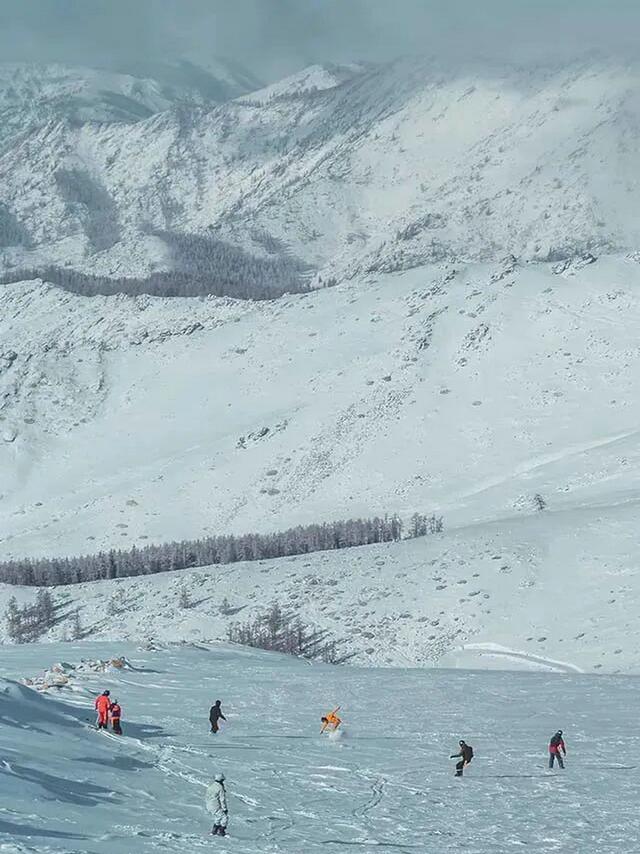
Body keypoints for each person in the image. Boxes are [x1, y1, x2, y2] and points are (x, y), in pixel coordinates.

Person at [206, 772, 228, 837]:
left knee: (218, 816)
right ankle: (221, 831)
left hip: (209, 805)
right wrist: (224, 808)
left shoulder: (211, 786)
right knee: (224, 817)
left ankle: (214, 830)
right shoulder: (220, 788)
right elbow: (222, 799)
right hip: (216, 805)